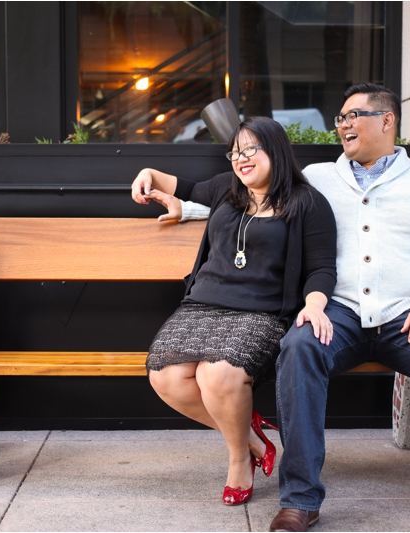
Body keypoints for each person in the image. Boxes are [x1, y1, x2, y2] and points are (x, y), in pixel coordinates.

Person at [170, 85, 410, 532]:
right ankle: (300, 499)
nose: (343, 125)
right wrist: (184, 207)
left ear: (387, 120)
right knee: (299, 348)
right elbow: (254, 199)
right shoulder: (318, 177)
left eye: (353, 115)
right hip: (336, 315)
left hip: (408, 317)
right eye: (340, 118)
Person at [130, 116, 337, 507]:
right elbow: (178, 185)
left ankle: (240, 459)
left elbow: (322, 267)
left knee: (218, 376)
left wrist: (314, 304)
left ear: (275, 150)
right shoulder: (227, 189)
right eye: (235, 152)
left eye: (251, 149)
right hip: (202, 305)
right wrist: (147, 174)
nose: (241, 159)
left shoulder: (307, 203)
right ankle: (254, 438)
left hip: (262, 312)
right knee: (165, 376)